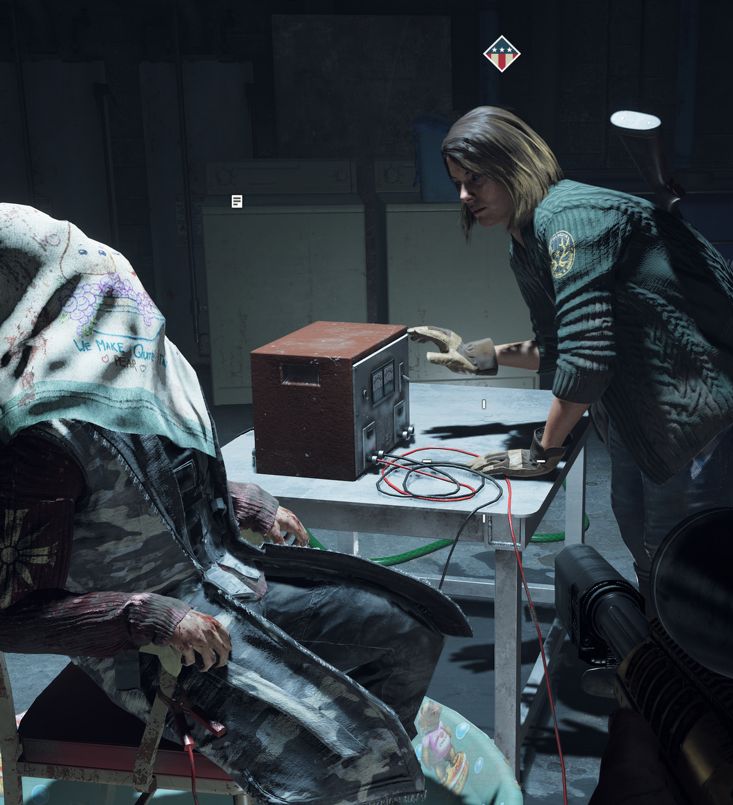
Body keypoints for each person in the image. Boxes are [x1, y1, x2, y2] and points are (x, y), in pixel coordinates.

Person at [0, 202, 471, 804]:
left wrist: (240, 503)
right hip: (148, 651)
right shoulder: (40, 440)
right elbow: (13, 614)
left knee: (405, 630)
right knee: (353, 757)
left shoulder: (141, 382)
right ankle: (353, 783)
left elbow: (155, 489)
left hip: (227, 583)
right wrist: (144, 616)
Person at [409, 105, 733, 615]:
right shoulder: (524, 243)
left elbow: (586, 360)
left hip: (705, 400)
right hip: (639, 402)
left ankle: (699, 652)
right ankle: (658, 640)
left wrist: (543, 451)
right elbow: (561, 346)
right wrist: (483, 356)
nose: (464, 196)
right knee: (636, 527)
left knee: (682, 552)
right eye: (458, 183)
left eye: (476, 180)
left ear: (514, 166)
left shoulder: (570, 219)